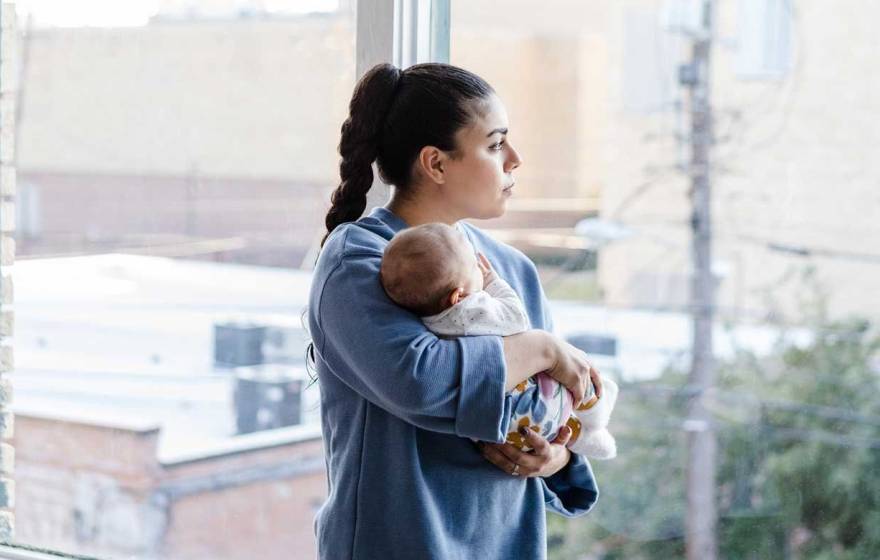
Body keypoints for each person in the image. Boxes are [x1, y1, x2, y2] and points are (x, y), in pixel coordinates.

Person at [308, 62, 601, 560]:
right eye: (495, 144)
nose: (515, 159)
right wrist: (542, 348)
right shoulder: (358, 262)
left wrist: (555, 458)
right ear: (436, 164)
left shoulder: (513, 269)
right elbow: (423, 381)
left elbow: (545, 402)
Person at [379, 222, 619, 460]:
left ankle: (582, 437)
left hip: (504, 427)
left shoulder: (426, 319)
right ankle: (595, 417)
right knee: (577, 377)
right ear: (458, 296)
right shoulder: (468, 311)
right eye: (474, 267)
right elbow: (516, 319)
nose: (480, 271)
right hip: (535, 403)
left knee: (558, 416)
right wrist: (493, 283)